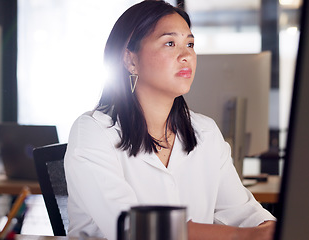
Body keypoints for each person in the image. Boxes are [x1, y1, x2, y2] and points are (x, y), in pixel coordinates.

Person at [64, 1, 276, 240]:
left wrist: (268, 228)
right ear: (131, 61)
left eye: (190, 44)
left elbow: (245, 213)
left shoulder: (204, 131)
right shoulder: (93, 131)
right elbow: (136, 230)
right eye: (169, 43)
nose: (186, 55)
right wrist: (245, 236)